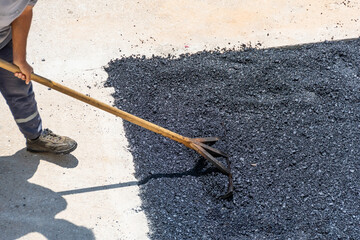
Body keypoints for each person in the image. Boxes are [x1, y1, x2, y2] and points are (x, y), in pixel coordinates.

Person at [0, 0, 77, 154]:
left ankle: (35, 138)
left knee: (20, 87)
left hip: (3, 40)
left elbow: (24, 12)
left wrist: (19, 59)